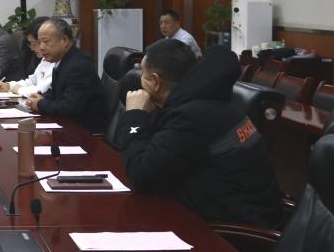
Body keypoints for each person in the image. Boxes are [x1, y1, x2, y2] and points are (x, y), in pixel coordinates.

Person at [120, 40, 281, 227]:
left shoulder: (191, 116)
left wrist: (135, 116)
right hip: (218, 213)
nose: (140, 80)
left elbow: (141, 175)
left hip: (232, 232)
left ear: (155, 82)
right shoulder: (200, 99)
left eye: (143, 74)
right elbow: (157, 158)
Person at [27, 18, 108, 133]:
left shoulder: (77, 66)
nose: (41, 47)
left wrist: (40, 104)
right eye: (39, 42)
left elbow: (69, 108)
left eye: (46, 41)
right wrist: (41, 97)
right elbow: (57, 93)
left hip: (85, 133)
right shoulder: (63, 60)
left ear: (64, 40)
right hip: (69, 127)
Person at [0, 17, 55, 96]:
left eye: (34, 44)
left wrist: (17, 89)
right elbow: (31, 82)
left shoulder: (56, 62)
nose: (32, 48)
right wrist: (8, 86)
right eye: (30, 44)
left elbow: (41, 91)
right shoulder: (45, 59)